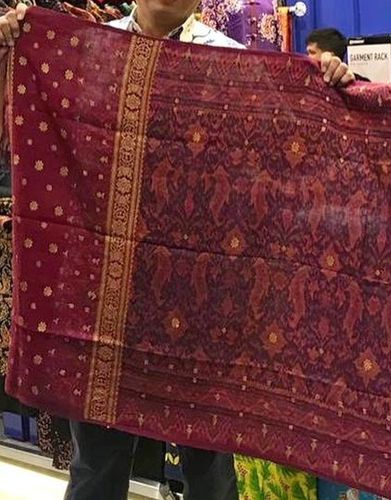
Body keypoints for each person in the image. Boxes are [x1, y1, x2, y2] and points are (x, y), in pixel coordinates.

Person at [0, 2, 353, 500]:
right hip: (108, 299)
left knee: (209, 473)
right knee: (97, 467)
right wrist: (10, 46)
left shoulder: (233, 62)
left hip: (204, 305)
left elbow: (285, 154)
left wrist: (330, 86)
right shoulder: (87, 50)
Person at [306, 27, 370, 82]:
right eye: (307, 53)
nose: (307, 57)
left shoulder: (358, 83)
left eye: (312, 52)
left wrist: (352, 84)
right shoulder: (306, 80)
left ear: (331, 56)